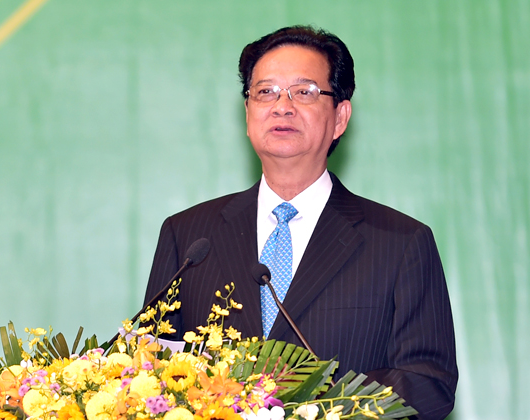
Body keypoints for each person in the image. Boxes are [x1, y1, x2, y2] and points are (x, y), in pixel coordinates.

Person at [144, 26, 458, 420]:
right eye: (265, 92)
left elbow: (429, 383)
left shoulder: (400, 242)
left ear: (340, 117)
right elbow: (149, 372)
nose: (282, 106)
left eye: (304, 91)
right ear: (248, 114)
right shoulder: (189, 236)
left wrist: (314, 403)